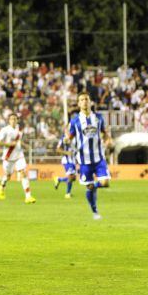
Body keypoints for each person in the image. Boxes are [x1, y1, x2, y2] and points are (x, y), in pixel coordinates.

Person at [66, 92, 112, 220]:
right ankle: (94, 210)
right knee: (90, 187)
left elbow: (104, 132)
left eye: (86, 99)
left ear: (90, 101)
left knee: (105, 182)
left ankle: (95, 186)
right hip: (84, 161)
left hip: (98, 158)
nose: (85, 101)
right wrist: (66, 140)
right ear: (79, 103)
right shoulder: (75, 120)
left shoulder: (98, 118)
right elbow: (69, 136)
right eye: (82, 100)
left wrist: (108, 140)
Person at [0, 114, 36, 203]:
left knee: (23, 172)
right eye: (11, 119)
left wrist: (25, 146)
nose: (13, 120)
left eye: (15, 119)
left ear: (17, 120)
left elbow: (18, 142)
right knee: (8, 176)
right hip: (8, 157)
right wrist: (9, 144)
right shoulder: (5, 130)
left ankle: (28, 197)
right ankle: (2, 186)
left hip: (19, 155)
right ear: (9, 121)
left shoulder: (19, 130)